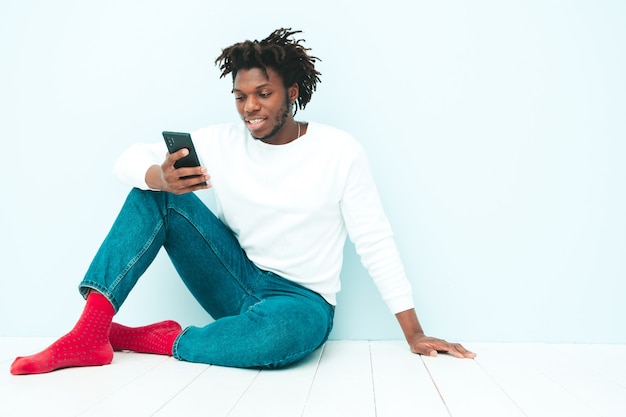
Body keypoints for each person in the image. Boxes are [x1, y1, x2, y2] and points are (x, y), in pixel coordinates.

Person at [10, 28, 475, 375]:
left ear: (292, 94)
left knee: (279, 340)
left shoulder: (339, 151)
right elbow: (127, 159)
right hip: (234, 280)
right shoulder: (221, 141)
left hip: (300, 302)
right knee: (155, 193)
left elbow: (375, 241)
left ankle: (141, 338)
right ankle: (89, 334)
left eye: (263, 94)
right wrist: (159, 175)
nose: (250, 107)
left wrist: (413, 333)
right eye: (241, 96)